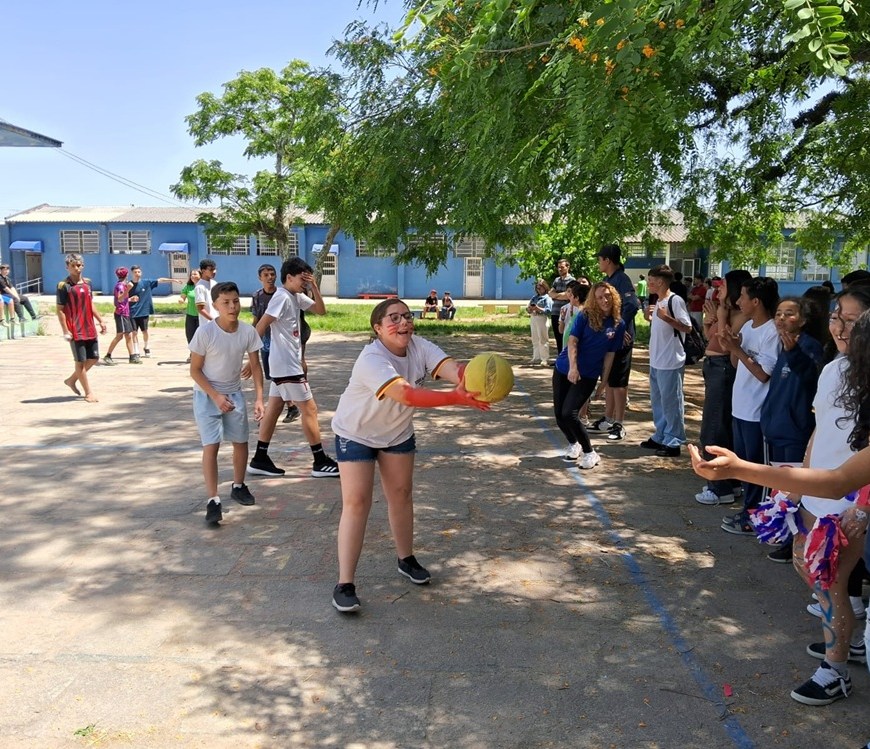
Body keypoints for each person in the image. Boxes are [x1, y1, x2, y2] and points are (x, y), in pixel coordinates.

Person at [689, 307, 870, 709]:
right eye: (836, 316)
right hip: (813, 489)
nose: (840, 327)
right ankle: (848, 641)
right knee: (808, 570)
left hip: (844, 501)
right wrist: (794, 490)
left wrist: (861, 506)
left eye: (854, 322)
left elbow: (848, 474)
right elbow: (819, 433)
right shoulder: (834, 370)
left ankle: (834, 670)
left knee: (830, 583)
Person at [330, 299, 490, 612]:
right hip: (356, 433)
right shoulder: (371, 359)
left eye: (407, 316)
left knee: (401, 495)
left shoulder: (419, 346)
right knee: (357, 502)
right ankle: (345, 583)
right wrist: (456, 399)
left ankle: (406, 559)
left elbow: (451, 369)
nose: (403, 322)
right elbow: (407, 394)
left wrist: (474, 375)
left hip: (397, 433)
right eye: (394, 318)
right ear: (378, 328)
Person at [248, 257, 339, 479]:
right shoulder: (280, 297)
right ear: (289, 277)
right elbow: (260, 325)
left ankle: (260, 459)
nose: (304, 284)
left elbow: (320, 310)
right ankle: (319, 461)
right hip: (287, 366)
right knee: (310, 410)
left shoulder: (295, 296)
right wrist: (250, 360)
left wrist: (314, 286)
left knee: (274, 409)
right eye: (302, 279)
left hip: (287, 364)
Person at [189, 281, 264, 526]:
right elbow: (195, 371)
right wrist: (216, 396)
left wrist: (260, 398)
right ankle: (213, 500)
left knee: (241, 442)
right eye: (226, 303)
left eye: (235, 301)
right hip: (207, 395)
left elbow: (255, 366)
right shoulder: (205, 333)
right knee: (211, 446)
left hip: (234, 394)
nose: (232, 307)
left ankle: (239, 485)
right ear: (216, 305)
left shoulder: (247, 332)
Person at [758, 297, 825, 562]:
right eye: (779, 313)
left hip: (795, 433)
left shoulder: (809, 348)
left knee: (795, 490)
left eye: (790, 314)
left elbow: (811, 381)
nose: (782, 318)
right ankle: (785, 537)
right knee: (781, 489)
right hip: (776, 429)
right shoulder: (784, 346)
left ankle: (795, 544)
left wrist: (796, 355)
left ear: (804, 320)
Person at [718, 277, 781, 534]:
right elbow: (736, 364)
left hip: (757, 411)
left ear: (756, 301)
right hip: (740, 407)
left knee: (757, 467)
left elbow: (764, 373)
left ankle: (757, 516)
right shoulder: (749, 327)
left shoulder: (771, 331)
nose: (738, 302)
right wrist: (733, 345)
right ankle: (748, 511)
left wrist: (739, 350)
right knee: (744, 464)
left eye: (743, 297)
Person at [553, 282, 625, 470]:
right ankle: (573, 443)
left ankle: (590, 452)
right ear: (594, 298)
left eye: (608, 295)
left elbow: (610, 355)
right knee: (560, 415)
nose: (604, 300)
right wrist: (573, 368)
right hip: (565, 368)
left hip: (589, 374)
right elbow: (572, 341)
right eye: (600, 297)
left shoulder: (618, 324)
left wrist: (603, 382)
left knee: (570, 413)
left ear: (614, 297)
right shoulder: (585, 316)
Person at [695, 270, 751, 505]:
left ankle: (719, 487)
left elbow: (725, 342)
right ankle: (730, 482)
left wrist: (720, 316)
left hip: (723, 369)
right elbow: (711, 337)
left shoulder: (739, 316)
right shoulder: (726, 312)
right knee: (719, 424)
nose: (719, 290)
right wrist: (713, 320)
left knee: (715, 426)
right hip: (713, 365)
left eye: (724, 286)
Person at [590, 245, 640, 442]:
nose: (598, 263)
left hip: (621, 338)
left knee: (619, 382)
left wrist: (621, 328)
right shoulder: (609, 281)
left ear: (608, 260)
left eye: (600, 259)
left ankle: (619, 423)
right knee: (609, 379)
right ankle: (609, 418)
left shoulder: (622, 279)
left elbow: (632, 305)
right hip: (609, 338)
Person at [641, 265, 691, 457]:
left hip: (671, 360)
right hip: (656, 359)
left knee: (671, 401)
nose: (649, 284)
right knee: (658, 400)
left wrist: (667, 318)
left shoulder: (675, 301)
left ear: (660, 282)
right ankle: (661, 434)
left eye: (651, 281)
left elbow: (687, 328)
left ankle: (674, 439)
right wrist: (649, 316)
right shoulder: (658, 300)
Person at [250, 263, 299, 425]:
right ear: (259, 278)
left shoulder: (282, 294)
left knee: (280, 377)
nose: (270, 277)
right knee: (272, 376)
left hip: (282, 342)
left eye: (272, 274)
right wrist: (251, 338)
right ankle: (282, 409)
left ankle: (285, 408)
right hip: (265, 341)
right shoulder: (257, 296)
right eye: (266, 275)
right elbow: (258, 320)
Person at [56, 253, 108, 403]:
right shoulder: (63, 286)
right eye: (73, 265)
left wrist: (101, 320)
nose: (76, 268)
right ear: (67, 267)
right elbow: (59, 309)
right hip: (75, 329)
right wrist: (66, 330)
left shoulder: (88, 283)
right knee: (80, 361)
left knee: (94, 358)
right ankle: (88, 393)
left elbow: (90, 303)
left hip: (89, 327)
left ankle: (71, 380)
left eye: (79, 265)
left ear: (83, 266)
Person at [127, 265, 174, 357]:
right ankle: (136, 351)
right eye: (135, 272)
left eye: (139, 272)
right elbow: (122, 298)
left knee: (145, 331)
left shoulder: (147, 282)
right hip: (132, 311)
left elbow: (160, 280)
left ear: (141, 273)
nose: (137, 274)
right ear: (132, 274)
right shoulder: (129, 285)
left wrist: (172, 280)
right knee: (134, 332)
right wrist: (129, 299)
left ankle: (146, 347)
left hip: (144, 311)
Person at [102, 267, 139, 365]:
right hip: (121, 314)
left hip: (125, 313)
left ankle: (132, 356)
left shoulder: (122, 286)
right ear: (126, 275)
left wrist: (130, 299)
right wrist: (128, 289)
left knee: (128, 335)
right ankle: (108, 355)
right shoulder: (121, 286)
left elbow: (123, 300)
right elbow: (119, 299)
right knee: (120, 336)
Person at [547, 259, 574, 355]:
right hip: (555, 312)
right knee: (557, 337)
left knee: (565, 336)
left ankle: (565, 358)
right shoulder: (556, 280)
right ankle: (559, 357)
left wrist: (556, 295)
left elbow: (568, 295)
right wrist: (559, 295)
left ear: (568, 267)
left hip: (565, 313)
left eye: (562, 267)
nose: (560, 269)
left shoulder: (572, 281)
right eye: (558, 267)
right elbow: (550, 293)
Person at [526, 279, 552, 366]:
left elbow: (549, 310)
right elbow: (528, 307)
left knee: (543, 338)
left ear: (545, 288)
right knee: (535, 338)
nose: (539, 290)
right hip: (534, 317)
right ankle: (536, 357)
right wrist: (529, 309)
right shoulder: (534, 298)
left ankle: (544, 358)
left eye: (540, 288)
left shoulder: (547, 298)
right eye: (537, 288)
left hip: (542, 318)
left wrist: (538, 309)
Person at [179, 268, 201, 347]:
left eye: (195, 274)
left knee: (200, 336)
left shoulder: (204, 286)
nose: (193, 276)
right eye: (191, 274)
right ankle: (192, 353)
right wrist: (181, 300)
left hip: (201, 316)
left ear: (200, 275)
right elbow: (183, 297)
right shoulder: (188, 287)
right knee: (190, 335)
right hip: (190, 315)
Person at [194, 259, 218, 325]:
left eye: (215, 269)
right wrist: (213, 320)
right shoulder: (200, 287)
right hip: (208, 324)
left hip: (218, 321)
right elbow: (200, 309)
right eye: (211, 270)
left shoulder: (214, 283)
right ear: (203, 271)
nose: (214, 271)